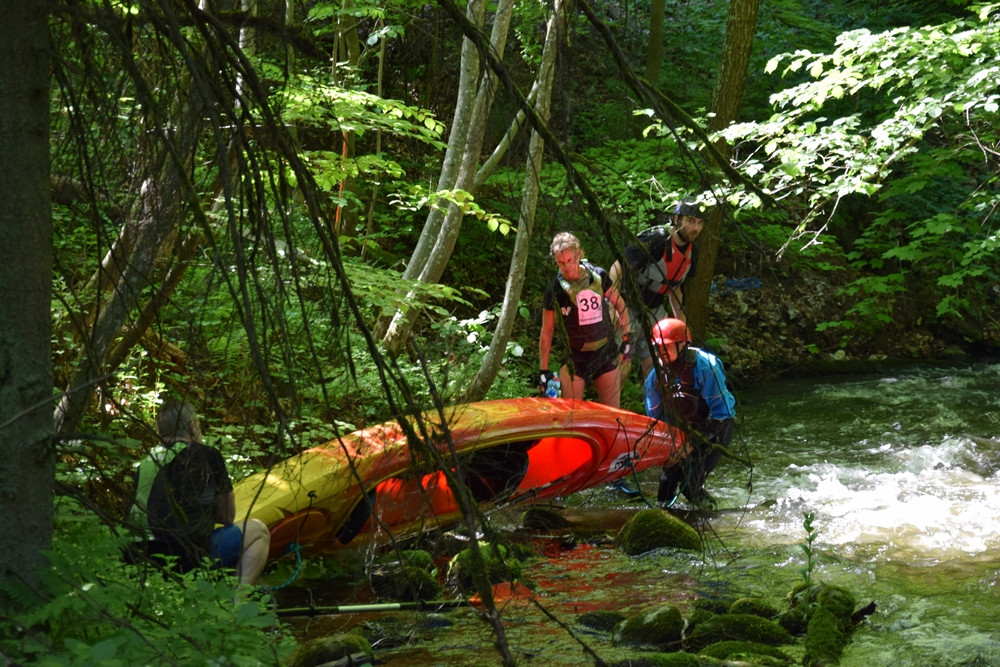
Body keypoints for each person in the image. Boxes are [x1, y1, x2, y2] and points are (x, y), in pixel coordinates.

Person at [126, 399, 270, 584]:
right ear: (192, 426)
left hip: (142, 559)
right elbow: (227, 516)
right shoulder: (207, 455)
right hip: (188, 559)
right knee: (259, 531)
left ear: (160, 431)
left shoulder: (146, 462)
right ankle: (237, 600)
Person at [644, 317, 735, 508]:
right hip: (682, 432)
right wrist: (667, 451)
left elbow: (722, 413)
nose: (661, 353)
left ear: (683, 345)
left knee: (690, 486)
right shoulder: (654, 379)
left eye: (666, 347)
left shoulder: (706, 367)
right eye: (657, 348)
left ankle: (714, 514)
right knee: (665, 486)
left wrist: (692, 444)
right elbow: (655, 421)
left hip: (716, 427)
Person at [610, 200, 705, 380]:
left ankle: (654, 407)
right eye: (691, 221)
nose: (696, 228)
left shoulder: (693, 253)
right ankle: (608, 407)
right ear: (677, 218)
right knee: (622, 366)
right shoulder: (656, 240)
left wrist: (682, 329)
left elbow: (676, 290)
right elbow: (617, 268)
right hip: (627, 307)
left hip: (655, 311)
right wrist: (613, 307)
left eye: (700, 223)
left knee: (657, 369)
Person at [539, 232, 632, 408]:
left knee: (612, 414)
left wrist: (628, 337)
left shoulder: (598, 276)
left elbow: (620, 305)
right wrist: (544, 371)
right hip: (575, 358)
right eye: (560, 263)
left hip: (604, 354)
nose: (566, 267)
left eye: (570, 260)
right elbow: (547, 332)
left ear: (579, 254)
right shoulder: (555, 290)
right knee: (571, 417)